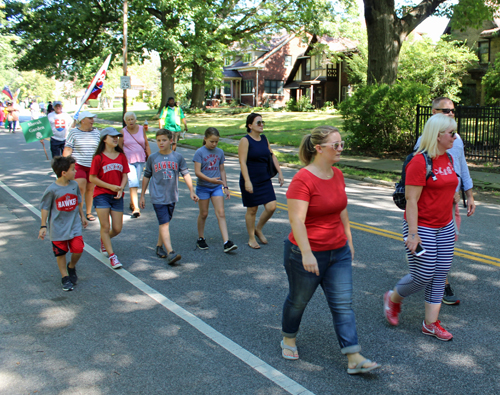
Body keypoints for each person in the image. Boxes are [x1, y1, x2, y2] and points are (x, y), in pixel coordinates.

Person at [281, 126, 380, 375]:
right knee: (298, 300)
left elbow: (341, 208)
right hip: (306, 253)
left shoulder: (337, 174)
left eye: (341, 144)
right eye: (335, 145)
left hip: (338, 251)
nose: (340, 149)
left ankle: (353, 357)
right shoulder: (303, 179)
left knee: (343, 304)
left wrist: (348, 238)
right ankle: (288, 338)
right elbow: (297, 221)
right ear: (318, 148)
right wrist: (306, 253)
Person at [384, 114, 459, 341]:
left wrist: (453, 207)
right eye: (452, 133)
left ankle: (430, 323)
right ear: (437, 135)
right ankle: (394, 298)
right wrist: (413, 234)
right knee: (423, 274)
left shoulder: (448, 158)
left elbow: (448, 188)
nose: (456, 137)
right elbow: (412, 201)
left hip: (444, 225)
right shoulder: (419, 162)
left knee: (439, 274)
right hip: (422, 227)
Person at [414, 97, 476, 305]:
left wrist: (469, 194)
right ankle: (441, 284)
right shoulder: (424, 142)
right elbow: (417, 180)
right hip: (432, 205)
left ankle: (437, 279)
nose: (450, 114)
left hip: (452, 202)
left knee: (447, 246)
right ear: (433, 112)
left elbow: (462, 166)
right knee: (434, 255)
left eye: (452, 111)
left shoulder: (455, 139)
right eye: (445, 111)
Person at [140, 129, 199, 265]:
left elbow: (186, 174)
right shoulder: (153, 158)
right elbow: (146, 176)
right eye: (159, 140)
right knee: (164, 223)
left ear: (171, 140)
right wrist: (142, 195)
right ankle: (171, 252)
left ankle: (159, 246)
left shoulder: (178, 157)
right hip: (157, 196)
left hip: (172, 196)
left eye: (164, 140)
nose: (161, 143)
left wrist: (192, 191)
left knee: (165, 222)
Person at [39, 156, 88, 291]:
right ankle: (65, 277)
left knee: (78, 249)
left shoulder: (74, 185)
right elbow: (45, 208)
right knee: (60, 253)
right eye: (73, 169)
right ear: (63, 173)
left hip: (74, 225)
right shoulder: (52, 189)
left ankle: (71, 266)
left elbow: (78, 201)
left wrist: (82, 216)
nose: (75, 172)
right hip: (58, 228)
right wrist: (43, 226)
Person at [238, 113, 284, 249]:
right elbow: (242, 161)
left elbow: (272, 155)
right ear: (250, 126)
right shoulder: (245, 140)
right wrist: (247, 181)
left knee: (271, 207)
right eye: (258, 122)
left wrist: (280, 173)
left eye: (262, 122)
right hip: (250, 179)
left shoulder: (264, 139)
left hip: (264, 179)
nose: (262, 124)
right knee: (252, 210)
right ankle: (251, 237)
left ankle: (258, 228)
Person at [89, 127, 129, 269]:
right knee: (105, 226)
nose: (115, 139)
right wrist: (110, 186)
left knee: (117, 228)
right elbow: (92, 178)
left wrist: (121, 187)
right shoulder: (98, 157)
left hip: (117, 195)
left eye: (117, 136)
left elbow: (125, 174)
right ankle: (112, 256)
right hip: (101, 195)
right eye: (112, 136)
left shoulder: (121, 156)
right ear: (104, 138)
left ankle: (104, 240)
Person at [193, 127, 237, 253]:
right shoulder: (199, 152)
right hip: (203, 188)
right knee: (204, 214)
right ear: (205, 139)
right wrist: (210, 179)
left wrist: (226, 187)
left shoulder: (220, 152)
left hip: (216, 187)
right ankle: (201, 238)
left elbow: (222, 170)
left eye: (216, 142)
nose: (214, 144)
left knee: (221, 213)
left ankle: (226, 242)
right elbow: (197, 172)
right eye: (212, 141)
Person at [63, 111, 101, 222]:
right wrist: (65, 165)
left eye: (92, 118)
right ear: (82, 120)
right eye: (90, 118)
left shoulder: (96, 132)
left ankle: (88, 212)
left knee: (90, 189)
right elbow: (68, 148)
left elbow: (100, 149)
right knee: (80, 188)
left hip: (93, 165)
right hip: (78, 164)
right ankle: (79, 213)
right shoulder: (74, 132)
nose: (92, 121)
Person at [119, 111, 151, 218]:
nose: (130, 121)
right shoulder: (123, 132)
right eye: (128, 120)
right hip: (128, 160)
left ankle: (132, 202)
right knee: (133, 181)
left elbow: (146, 144)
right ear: (125, 121)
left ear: (135, 120)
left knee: (136, 180)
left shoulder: (142, 129)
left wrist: (150, 158)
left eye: (132, 119)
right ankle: (136, 208)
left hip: (140, 158)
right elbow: (119, 147)